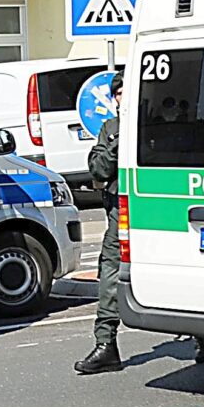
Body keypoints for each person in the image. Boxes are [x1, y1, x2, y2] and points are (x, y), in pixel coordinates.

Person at [76, 70, 126, 375]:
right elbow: (98, 169)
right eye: (119, 94)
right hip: (120, 211)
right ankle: (106, 344)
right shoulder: (111, 128)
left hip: (158, 208)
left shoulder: (160, 120)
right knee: (110, 272)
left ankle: (203, 339)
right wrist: (118, 142)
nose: (123, 98)